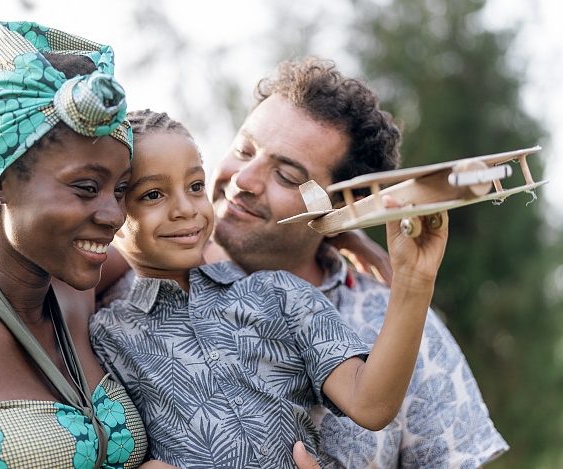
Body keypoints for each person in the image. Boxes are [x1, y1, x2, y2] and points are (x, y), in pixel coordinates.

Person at [89, 108, 449, 469]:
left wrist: (413, 284)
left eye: (196, 186)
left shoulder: (279, 294)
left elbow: (370, 405)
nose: (186, 208)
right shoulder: (104, 335)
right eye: (153, 194)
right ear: (112, 210)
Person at [0, 21, 178, 469]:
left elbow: (181, 247)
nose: (114, 215)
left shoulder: (79, 296)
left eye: (120, 189)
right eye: (86, 187)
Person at [206, 56, 509, 468]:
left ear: (342, 208)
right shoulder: (131, 275)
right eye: (244, 150)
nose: (243, 179)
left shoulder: (402, 330)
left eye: (287, 176)